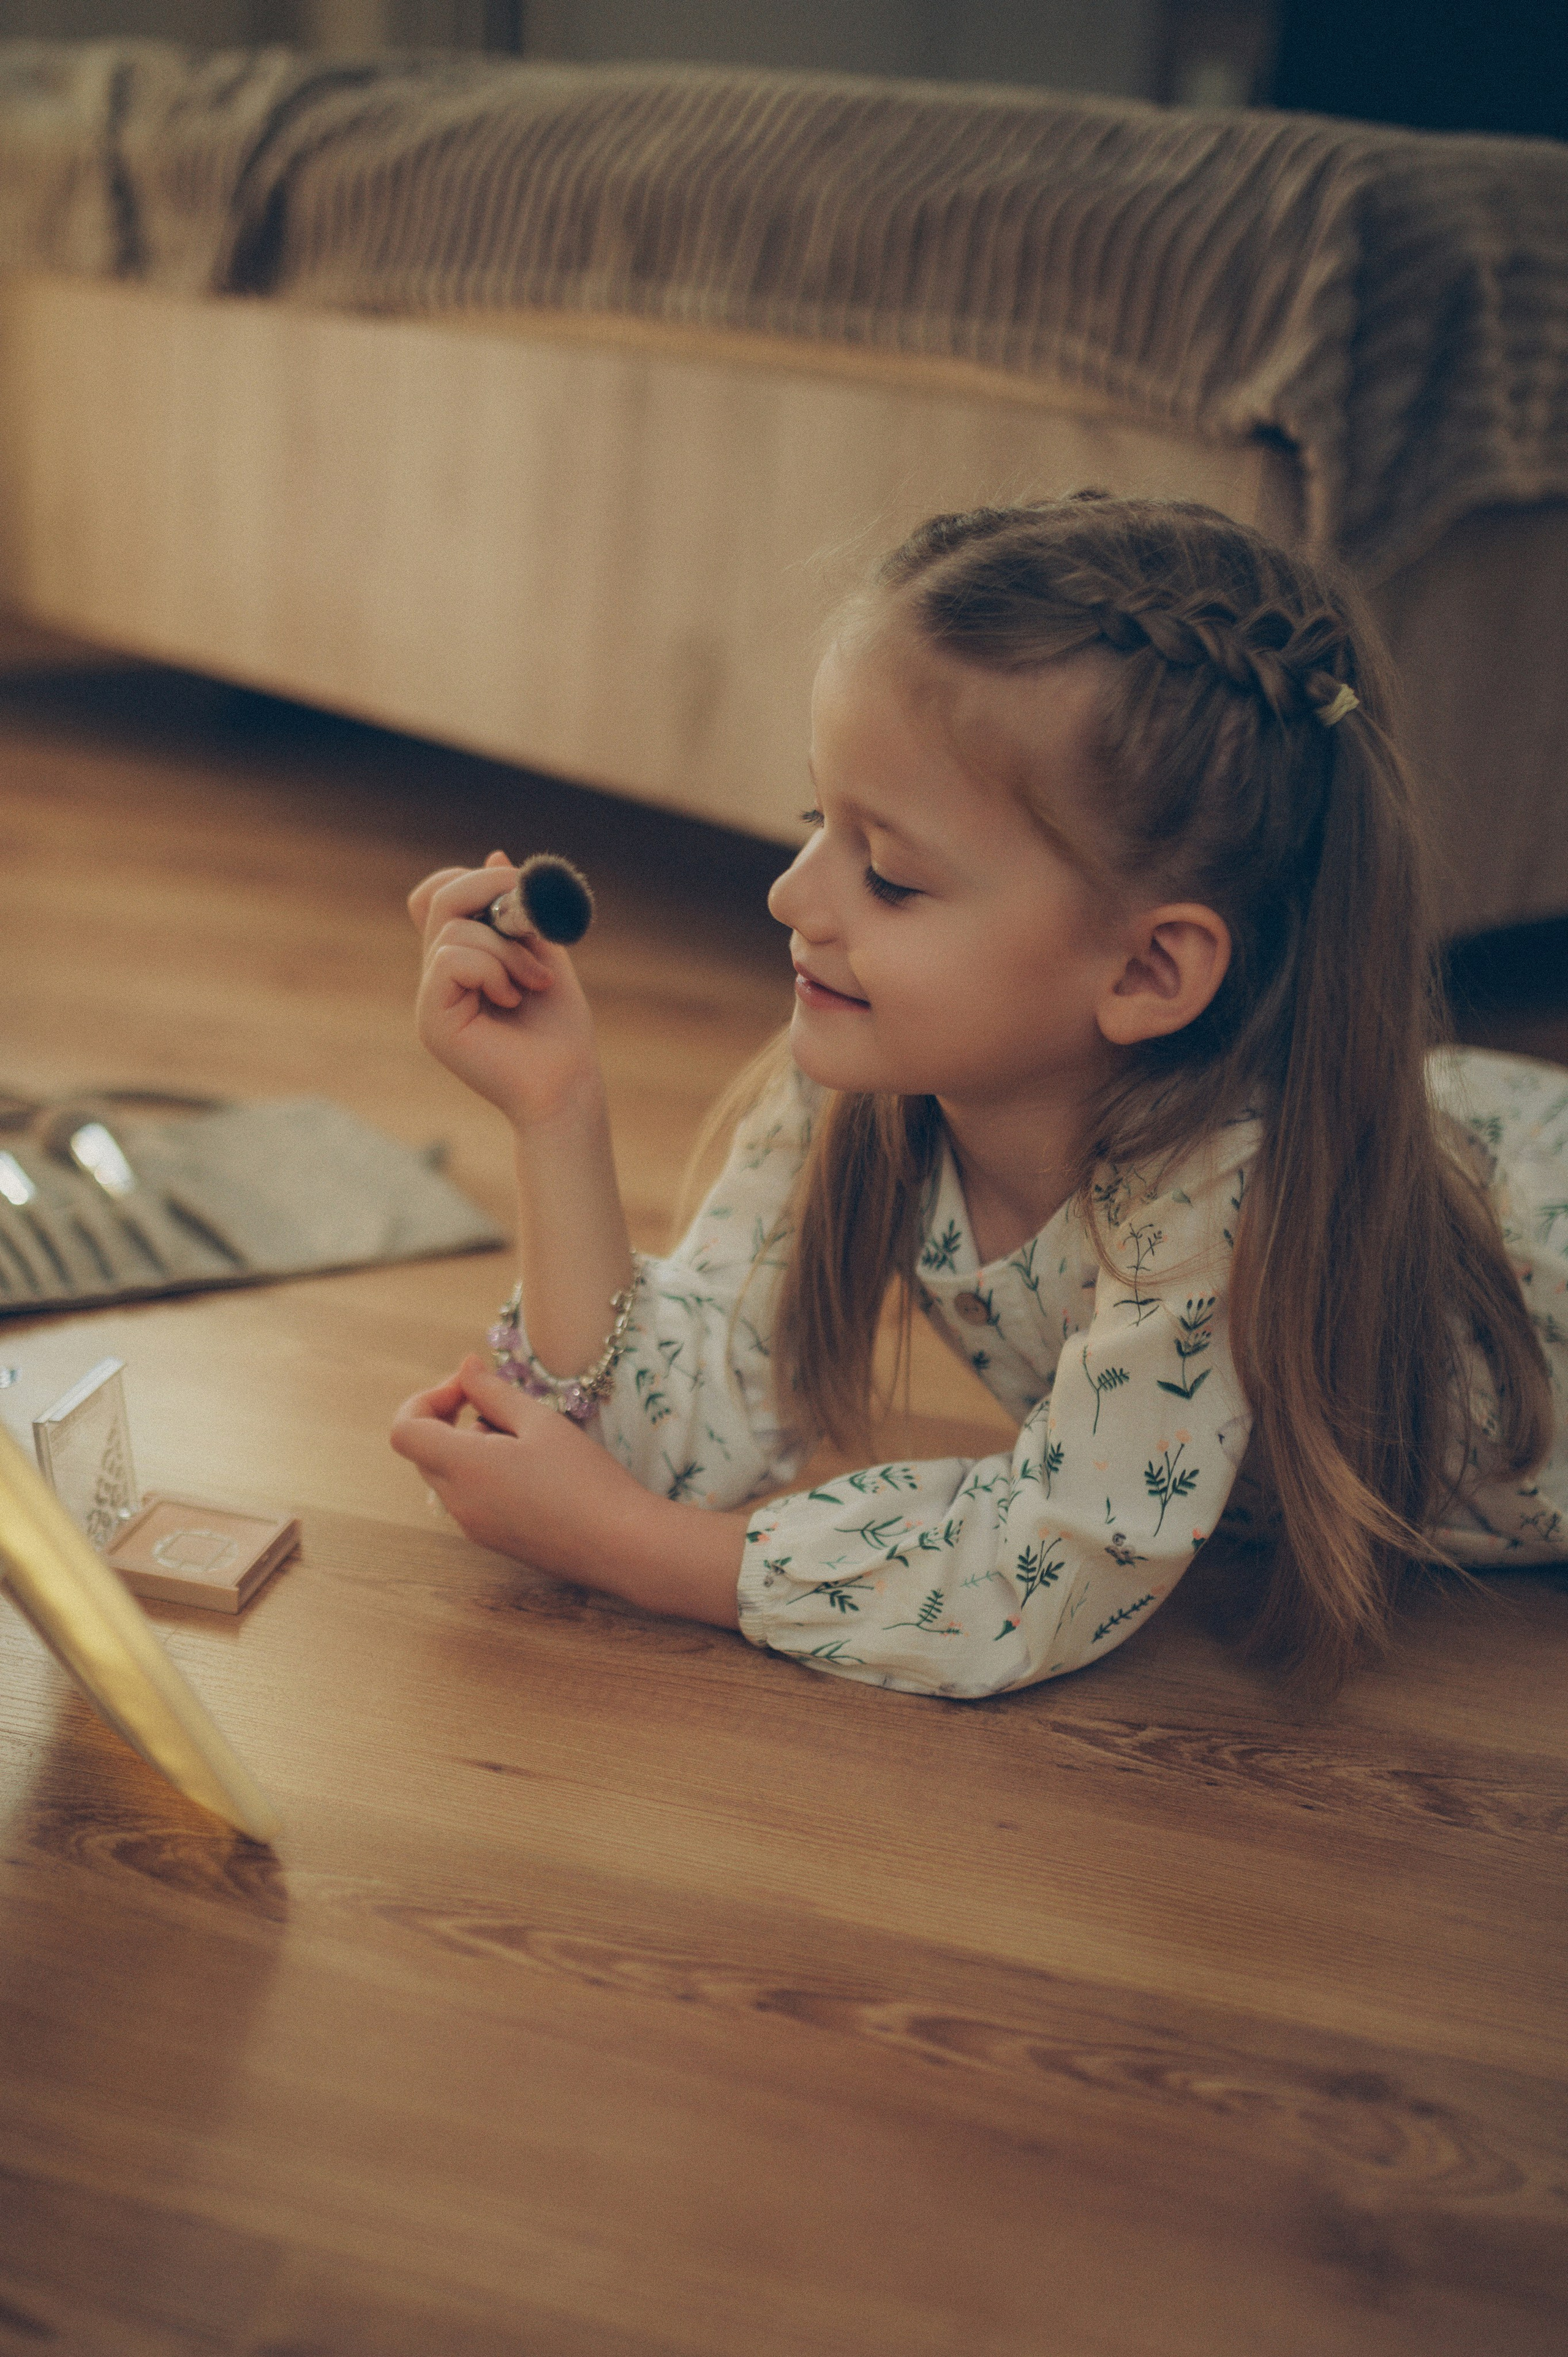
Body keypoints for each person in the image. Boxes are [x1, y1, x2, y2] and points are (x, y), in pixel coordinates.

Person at [390, 493, 1567, 1700]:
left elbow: (1044, 1572)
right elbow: (674, 1437)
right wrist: (554, 1107)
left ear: (1147, 969)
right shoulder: (865, 1079)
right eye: (816, 821)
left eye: (888, 874)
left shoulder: (1219, 1187)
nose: (791, 897)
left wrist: (630, 1549)